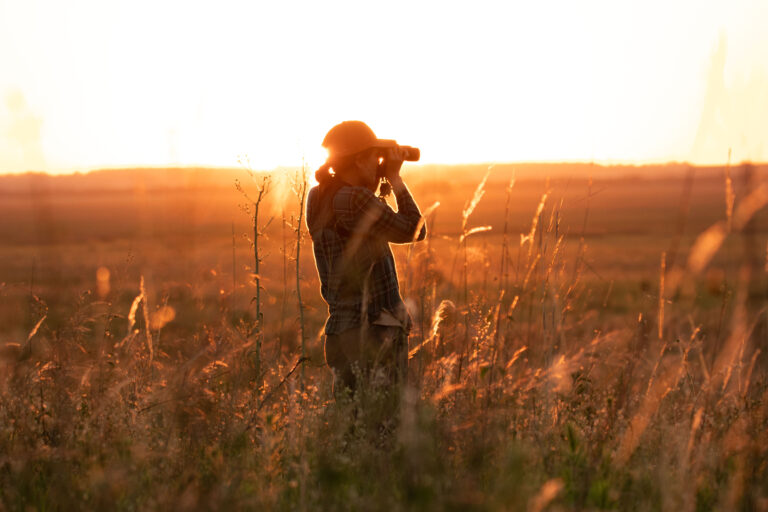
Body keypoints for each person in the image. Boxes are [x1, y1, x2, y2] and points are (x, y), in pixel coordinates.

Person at [306, 120, 426, 397]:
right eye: (375, 157)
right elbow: (415, 229)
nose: (379, 163)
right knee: (384, 423)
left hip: (340, 332)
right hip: (374, 332)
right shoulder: (356, 199)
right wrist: (395, 179)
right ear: (359, 160)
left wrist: (376, 176)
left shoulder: (318, 197)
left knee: (351, 422)